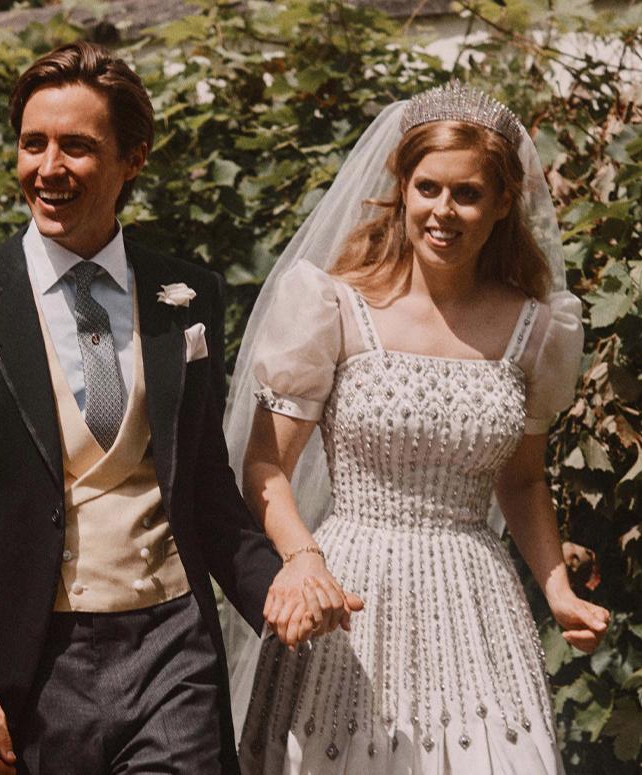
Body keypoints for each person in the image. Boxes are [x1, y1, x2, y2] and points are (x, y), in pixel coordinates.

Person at [0, 41, 293, 775]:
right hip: (29, 660)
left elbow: (204, 485)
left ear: (132, 159)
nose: (48, 168)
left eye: (76, 147)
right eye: (33, 144)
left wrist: (281, 588)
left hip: (173, 648)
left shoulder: (190, 296)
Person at [223, 82, 611, 773]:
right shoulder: (332, 306)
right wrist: (303, 559)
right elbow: (265, 466)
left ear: (502, 203)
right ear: (402, 187)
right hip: (351, 593)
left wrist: (557, 589)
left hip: (476, 601)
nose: (443, 210)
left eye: (467, 193)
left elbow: (523, 481)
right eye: (428, 187)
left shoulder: (536, 328)